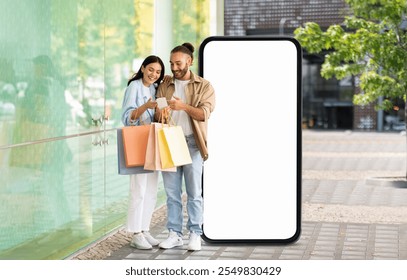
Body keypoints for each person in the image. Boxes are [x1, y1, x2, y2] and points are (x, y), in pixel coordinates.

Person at [155, 43, 215, 251]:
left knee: (194, 192)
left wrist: (183, 107)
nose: (174, 67)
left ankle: (195, 234)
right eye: (171, 63)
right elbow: (159, 110)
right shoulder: (166, 84)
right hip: (169, 141)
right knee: (172, 194)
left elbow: (203, 114)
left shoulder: (204, 86)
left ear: (189, 61)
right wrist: (162, 111)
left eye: (178, 63)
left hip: (191, 143)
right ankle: (174, 234)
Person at [121, 55, 165, 249]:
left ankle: (145, 228)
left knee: (152, 189)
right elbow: (127, 117)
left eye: (158, 72)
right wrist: (146, 106)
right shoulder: (134, 87)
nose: (154, 75)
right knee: (138, 189)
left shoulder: (156, 89)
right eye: (151, 70)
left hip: (154, 141)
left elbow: (161, 112)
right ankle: (135, 233)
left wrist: (164, 110)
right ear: (143, 67)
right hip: (139, 141)